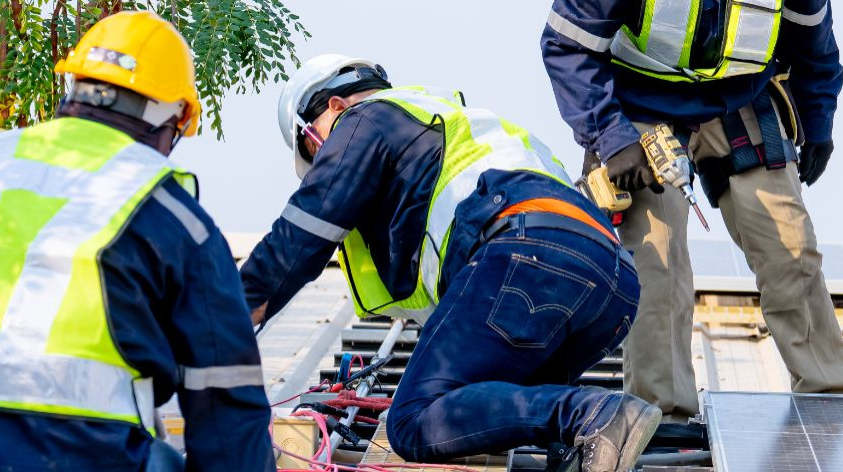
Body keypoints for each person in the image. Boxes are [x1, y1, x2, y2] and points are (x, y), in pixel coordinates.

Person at [0, 11, 269, 471]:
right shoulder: (173, 215)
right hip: (74, 456)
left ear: (76, 88)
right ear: (173, 117)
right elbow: (225, 401)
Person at [241, 54, 656, 471]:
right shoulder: (460, 126)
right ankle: (591, 429)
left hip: (526, 256)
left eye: (316, 147)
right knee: (495, 410)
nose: (324, 163)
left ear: (335, 105)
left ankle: (594, 415)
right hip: (612, 282)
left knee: (414, 418)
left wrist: (237, 310)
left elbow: (304, 230)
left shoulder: (366, 119)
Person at [540, 0, 843, 423]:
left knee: (790, 247)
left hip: (742, 99)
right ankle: (663, 418)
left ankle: (828, 403)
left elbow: (814, 46)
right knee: (657, 262)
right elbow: (566, 44)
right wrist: (610, 137)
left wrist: (818, 123)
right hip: (641, 104)